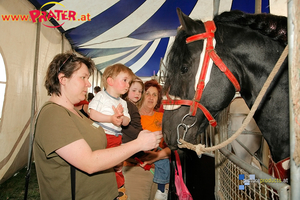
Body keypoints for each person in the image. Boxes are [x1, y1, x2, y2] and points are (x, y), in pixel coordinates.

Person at [33, 52, 162, 200]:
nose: (88, 83)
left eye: (88, 78)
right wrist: (139, 144)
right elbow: (89, 163)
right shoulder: (54, 115)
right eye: (83, 77)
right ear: (62, 79)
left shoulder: (76, 112)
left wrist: (113, 161)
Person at [88, 63, 134, 199]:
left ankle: (118, 190)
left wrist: (121, 118)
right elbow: (92, 114)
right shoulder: (101, 96)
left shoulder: (123, 103)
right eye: (125, 80)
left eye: (129, 82)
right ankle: (101, 189)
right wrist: (111, 118)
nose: (128, 85)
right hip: (100, 136)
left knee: (116, 165)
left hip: (115, 138)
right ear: (110, 81)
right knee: (101, 165)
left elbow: (127, 121)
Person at [123, 79, 171, 200]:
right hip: (136, 170)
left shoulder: (164, 118)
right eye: (148, 93)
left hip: (160, 172)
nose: (151, 97)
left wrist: (158, 155)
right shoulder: (130, 117)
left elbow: (174, 147)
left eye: (155, 95)